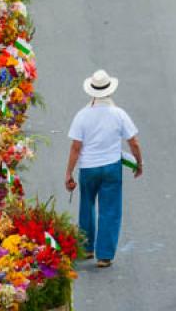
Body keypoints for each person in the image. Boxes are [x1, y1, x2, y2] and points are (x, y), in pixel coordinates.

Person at [66, 69, 143, 267]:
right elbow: (133, 142)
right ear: (109, 90)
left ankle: (86, 247)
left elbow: (76, 147)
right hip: (111, 167)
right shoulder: (119, 114)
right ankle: (104, 255)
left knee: (87, 206)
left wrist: (69, 173)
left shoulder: (82, 115)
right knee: (110, 209)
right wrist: (138, 162)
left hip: (88, 168)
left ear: (92, 91)